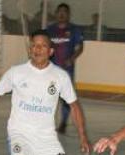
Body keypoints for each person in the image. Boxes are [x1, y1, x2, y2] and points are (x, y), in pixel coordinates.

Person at [46, 3, 84, 134]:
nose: (61, 14)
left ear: (68, 14)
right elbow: (43, 45)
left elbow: (80, 47)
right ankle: (47, 122)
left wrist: (72, 59)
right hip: (50, 69)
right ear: (56, 13)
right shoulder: (49, 30)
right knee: (49, 96)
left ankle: (63, 123)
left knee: (66, 98)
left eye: (64, 12)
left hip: (67, 71)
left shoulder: (74, 30)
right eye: (59, 11)